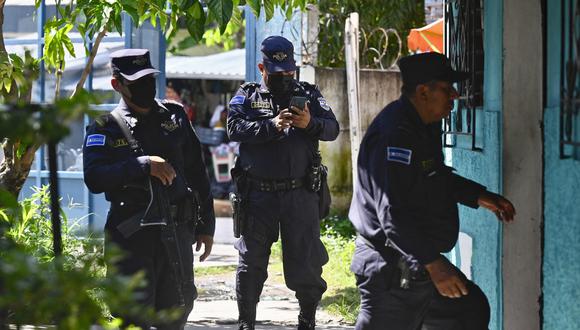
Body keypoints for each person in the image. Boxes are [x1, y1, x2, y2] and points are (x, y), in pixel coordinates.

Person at [348, 52, 516, 330]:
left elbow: (434, 177)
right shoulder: (396, 134)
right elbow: (392, 213)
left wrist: (479, 195)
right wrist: (435, 265)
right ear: (423, 92)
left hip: (416, 262)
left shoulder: (423, 126)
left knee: (467, 311)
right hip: (392, 267)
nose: (454, 96)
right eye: (447, 89)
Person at [83, 49, 215, 329]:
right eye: (136, 81)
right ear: (117, 84)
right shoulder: (105, 127)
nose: (145, 86)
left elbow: (197, 173)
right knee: (132, 316)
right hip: (132, 239)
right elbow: (94, 178)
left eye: (148, 78)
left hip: (177, 234)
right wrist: (142, 165)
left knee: (178, 310)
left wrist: (207, 226)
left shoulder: (175, 116)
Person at [227, 36, 340, 330]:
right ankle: (246, 323)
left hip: (299, 194)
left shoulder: (308, 94)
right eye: (278, 74)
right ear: (262, 67)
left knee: (306, 264)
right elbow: (233, 127)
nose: (286, 78)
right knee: (250, 266)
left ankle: (307, 320)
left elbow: (332, 128)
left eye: (290, 73)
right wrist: (270, 126)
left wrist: (310, 124)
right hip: (257, 197)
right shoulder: (248, 95)